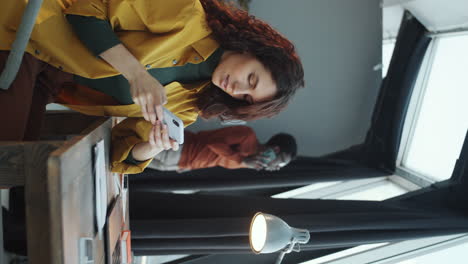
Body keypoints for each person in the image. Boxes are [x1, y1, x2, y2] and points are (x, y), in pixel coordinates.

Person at [0, 0, 304, 174]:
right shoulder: (186, 16)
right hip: (32, 36)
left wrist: (151, 146)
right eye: (250, 78)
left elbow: (120, 155)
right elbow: (86, 8)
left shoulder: (189, 107)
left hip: (47, 83)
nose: (236, 89)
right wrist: (136, 73)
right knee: (7, 160)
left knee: (23, 170)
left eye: (245, 96)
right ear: (252, 49)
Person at [144, 126, 297, 172]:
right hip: (179, 149)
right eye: (281, 162)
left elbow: (216, 160)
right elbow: (213, 143)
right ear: (275, 149)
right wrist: (242, 160)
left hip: (180, 164)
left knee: (131, 164)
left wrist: (244, 162)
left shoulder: (249, 162)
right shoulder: (247, 135)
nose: (277, 168)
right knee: (128, 149)